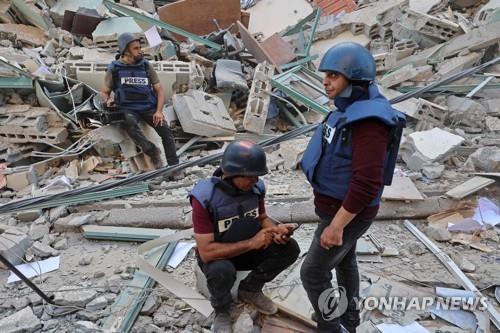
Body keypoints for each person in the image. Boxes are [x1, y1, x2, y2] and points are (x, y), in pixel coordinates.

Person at [300, 42, 406, 333]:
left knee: (312, 272)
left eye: (334, 75)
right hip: (336, 209)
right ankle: (348, 319)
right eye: (326, 75)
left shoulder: (369, 122)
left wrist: (336, 226)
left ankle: (330, 326)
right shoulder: (350, 109)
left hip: (345, 213)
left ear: (355, 79)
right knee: (345, 262)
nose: (326, 81)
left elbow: (366, 182)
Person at [190, 140, 300, 333]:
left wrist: (276, 230)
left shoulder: (255, 189)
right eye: (250, 177)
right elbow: (206, 252)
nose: (255, 181)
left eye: (257, 176)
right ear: (232, 173)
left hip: (247, 250)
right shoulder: (205, 198)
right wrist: (252, 243)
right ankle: (222, 309)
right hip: (219, 255)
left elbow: (262, 218)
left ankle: (250, 289)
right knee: (220, 271)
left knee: (290, 248)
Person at [100, 32, 178, 169]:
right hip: (128, 108)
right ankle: (151, 151)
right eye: (135, 48)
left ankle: (174, 167)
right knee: (129, 123)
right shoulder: (115, 69)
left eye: (139, 47)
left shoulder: (146, 66)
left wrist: (159, 111)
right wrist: (108, 100)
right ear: (125, 51)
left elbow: (159, 90)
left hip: (148, 107)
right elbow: (105, 92)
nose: (140, 51)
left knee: (166, 131)